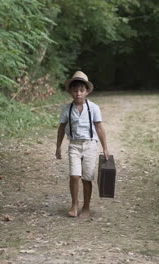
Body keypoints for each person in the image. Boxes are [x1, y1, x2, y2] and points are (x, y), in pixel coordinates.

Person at [55, 71, 110, 219]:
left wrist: (105, 147)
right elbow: (61, 128)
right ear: (71, 92)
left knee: (87, 178)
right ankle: (74, 204)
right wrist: (58, 147)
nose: (78, 93)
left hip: (90, 145)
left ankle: (86, 206)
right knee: (74, 176)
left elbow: (99, 128)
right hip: (74, 145)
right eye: (75, 90)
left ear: (86, 92)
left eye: (81, 90)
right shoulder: (67, 109)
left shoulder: (93, 108)